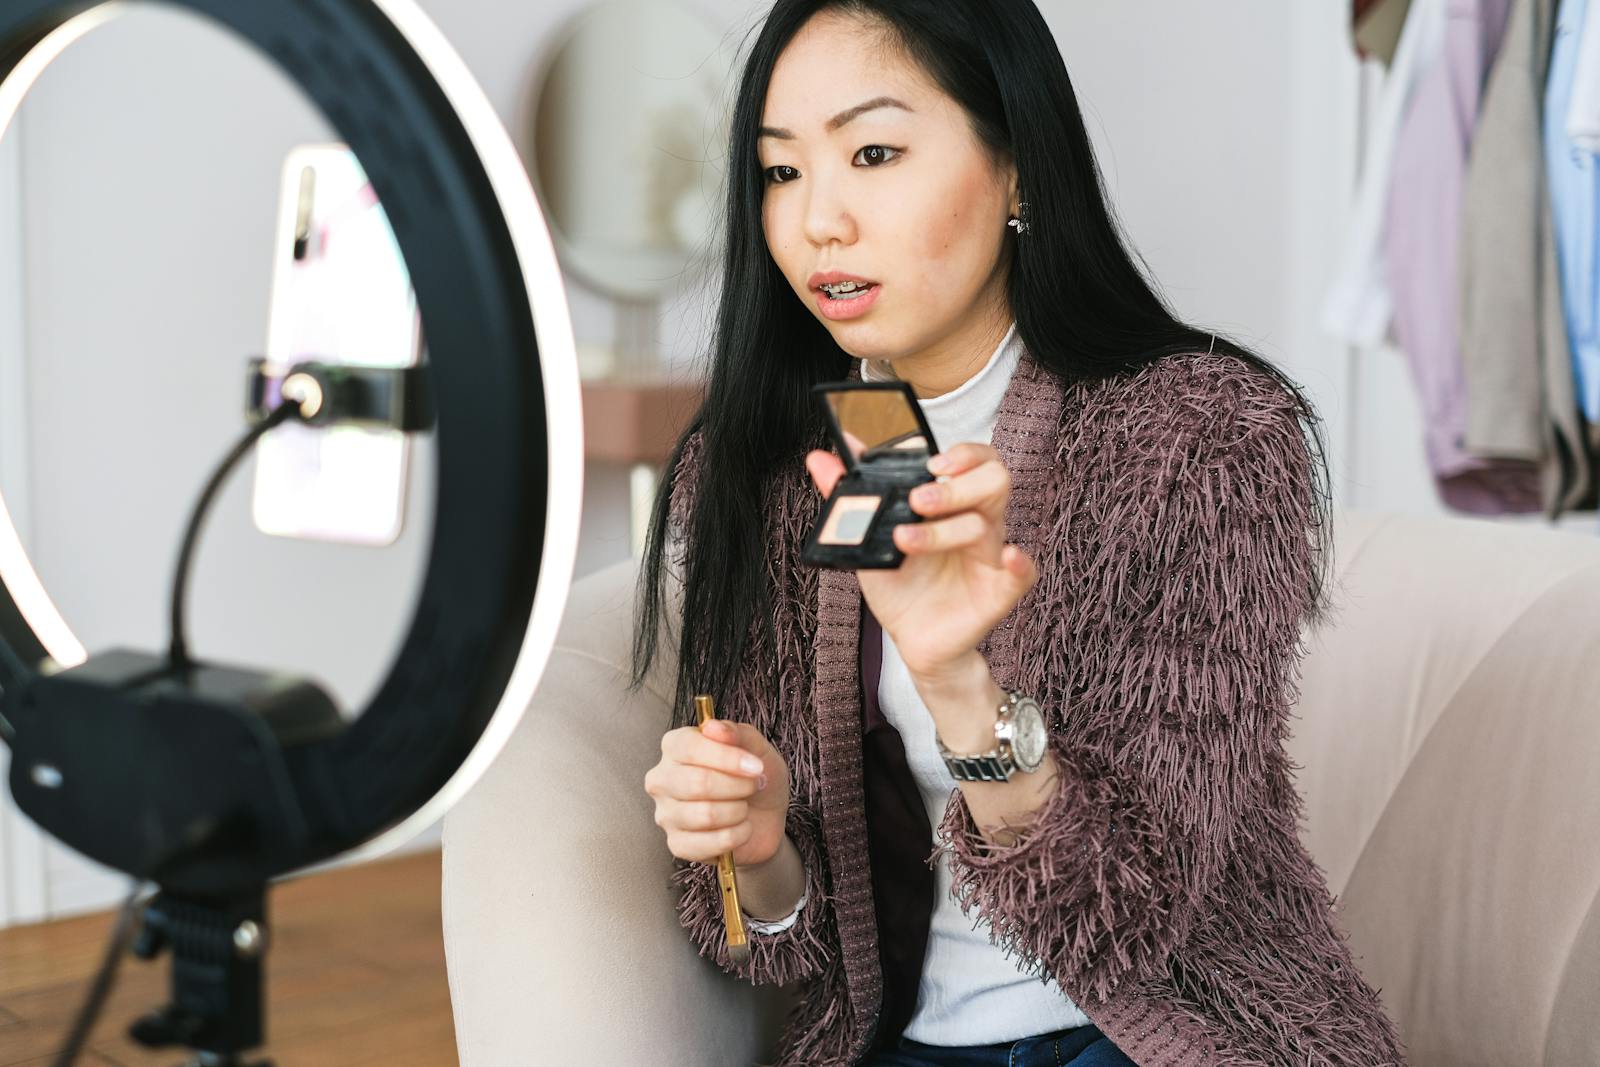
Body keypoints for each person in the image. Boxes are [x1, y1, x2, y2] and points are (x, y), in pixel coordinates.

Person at [634, 2, 1407, 1064]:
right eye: (779, 172)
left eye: (872, 152)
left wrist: (960, 687)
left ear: (1016, 170)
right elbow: (776, 946)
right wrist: (761, 848)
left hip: (1159, 1035)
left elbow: (1125, 920)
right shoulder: (760, 475)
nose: (818, 220)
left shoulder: (1199, 441)